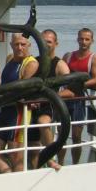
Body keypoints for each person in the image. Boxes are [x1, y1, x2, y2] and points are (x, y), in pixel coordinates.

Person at [0, 34, 39, 173]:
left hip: (19, 112)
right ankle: (7, 173)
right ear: (11, 45)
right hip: (4, 110)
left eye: (23, 44)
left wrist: (1, 95)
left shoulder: (31, 63)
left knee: (16, 155)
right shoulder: (9, 59)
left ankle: (18, 181)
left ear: (29, 45)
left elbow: (22, 89)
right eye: (16, 44)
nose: (19, 47)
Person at [59, 28, 96, 165]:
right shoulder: (68, 56)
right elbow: (59, 74)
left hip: (80, 100)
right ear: (77, 39)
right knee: (61, 134)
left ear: (92, 41)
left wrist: (80, 85)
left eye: (87, 39)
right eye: (81, 38)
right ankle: (60, 162)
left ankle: (75, 164)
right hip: (65, 98)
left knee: (76, 136)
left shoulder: (94, 58)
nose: (83, 42)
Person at [29, 29, 69, 169]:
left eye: (49, 42)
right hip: (31, 105)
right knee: (32, 144)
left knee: (43, 123)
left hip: (49, 106)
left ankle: (50, 158)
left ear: (56, 44)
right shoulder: (34, 62)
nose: (45, 45)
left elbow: (71, 91)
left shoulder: (60, 65)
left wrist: (50, 97)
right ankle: (34, 169)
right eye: (43, 42)